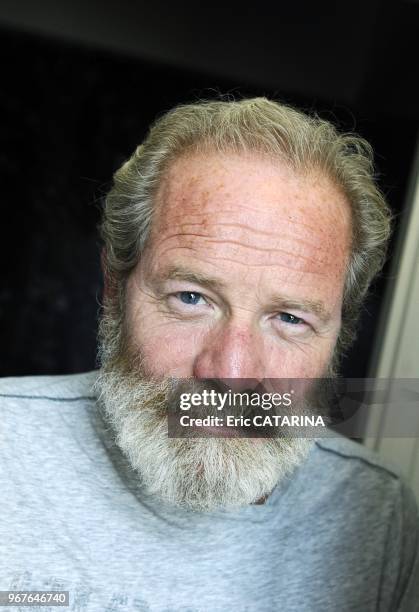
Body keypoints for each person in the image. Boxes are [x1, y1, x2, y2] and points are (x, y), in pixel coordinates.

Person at [1, 97, 418, 611]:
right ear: (114, 287)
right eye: (191, 298)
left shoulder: (379, 514)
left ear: (338, 337)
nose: (231, 375)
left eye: (290, 318)